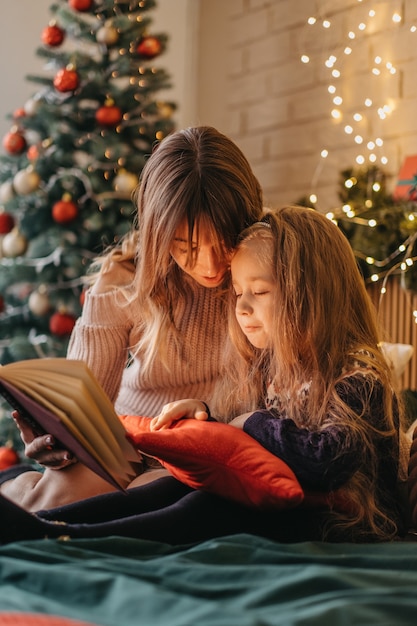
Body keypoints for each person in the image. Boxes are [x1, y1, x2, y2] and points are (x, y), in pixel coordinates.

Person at [0, 206, 408, 544]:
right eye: (237, 293)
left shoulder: (359, 375)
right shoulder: (279, 367)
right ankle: (50, 526)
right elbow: (261, 449)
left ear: (313, 294)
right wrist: (208, 423)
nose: (242, 307)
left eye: (260, 293)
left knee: (204, 505)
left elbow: (326, 460)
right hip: (289, 501)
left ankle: (66, 536)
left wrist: (248, 423)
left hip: (342, 521)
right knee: (181, 486)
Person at [0, 125, 264, 509]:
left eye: (223, 242)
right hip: (130, 443)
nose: (209, 265)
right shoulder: (125, 281)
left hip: (217, 444)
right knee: (56, 504)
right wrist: (57, 437)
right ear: (158, 233)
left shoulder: (268, 263)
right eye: (185, 246)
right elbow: (84, 402)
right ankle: (20, 492)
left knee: (167, 499)